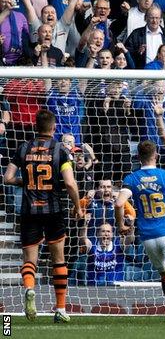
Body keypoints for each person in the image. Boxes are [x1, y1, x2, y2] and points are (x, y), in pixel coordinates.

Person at [3, 109, 84, 322]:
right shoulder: (60, 150)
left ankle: (30, 289)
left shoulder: (23, 148)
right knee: (58, 260)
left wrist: (27, 182)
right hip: (54, 211)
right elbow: (69, 183)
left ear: (35, 127)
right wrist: (78, 206)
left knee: (30, 260)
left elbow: (7, 178)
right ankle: (60, 309)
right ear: (54, 127)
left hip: (29, 211)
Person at [115, 140, 165, 324]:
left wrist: (121, 225)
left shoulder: (131, 178)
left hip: (148, 237)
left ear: (138, 157)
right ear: (156, 155)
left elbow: (118, 203)